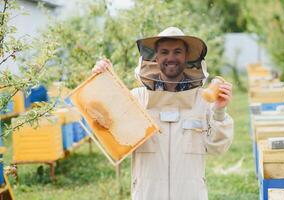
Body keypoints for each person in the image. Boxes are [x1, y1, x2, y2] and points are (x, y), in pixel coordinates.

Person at [92, 27, 233, 200]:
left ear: (187, 56)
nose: (171, 58)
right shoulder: (138, 98)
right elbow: (112, 131)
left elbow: (217, 148)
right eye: (164, 52)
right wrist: (105, 81)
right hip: (147, 194)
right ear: (155, 57)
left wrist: (219, 110)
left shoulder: (202, 100)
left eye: (177, 52)